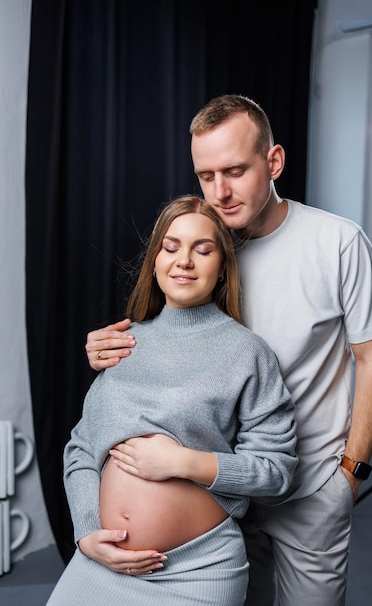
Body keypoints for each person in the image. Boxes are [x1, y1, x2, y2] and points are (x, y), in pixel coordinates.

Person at [85, 95, 372, 606]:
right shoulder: (206, 245)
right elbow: (171, 334)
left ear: (273, 162)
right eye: (205, 175)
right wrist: (109, 349)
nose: (220, 192)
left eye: (234, 170)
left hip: (310, 483)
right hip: (217, 494)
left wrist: (351, 474)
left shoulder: (337, 242)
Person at [48, 195, 297, 606]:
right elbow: (80, 450)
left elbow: (276, 471)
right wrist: (88, 531)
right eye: (171, 246)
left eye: (203, 250)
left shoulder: (246, 352)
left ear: (221, 269)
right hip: (103, 562)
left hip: (199, 570)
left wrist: (183, 463)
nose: (184, 261)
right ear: (155, 261)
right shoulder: (122, 344)